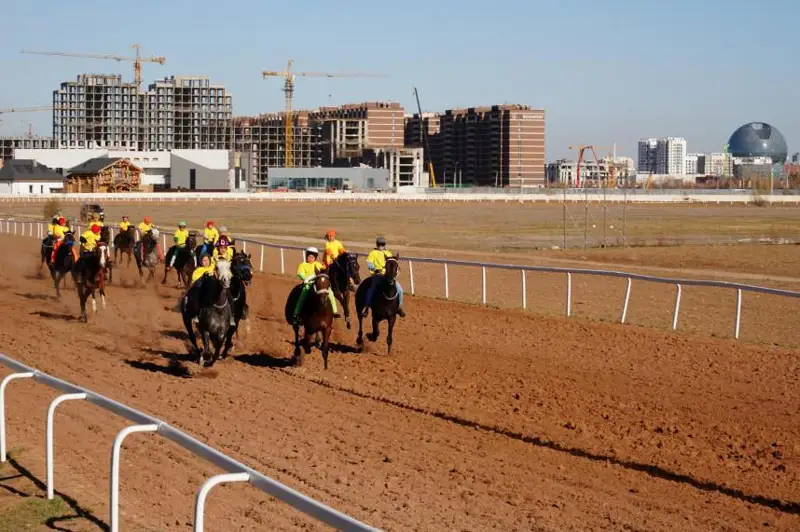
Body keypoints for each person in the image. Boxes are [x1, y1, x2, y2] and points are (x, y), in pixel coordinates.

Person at [292, 246, 340, 324]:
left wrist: (329, 263)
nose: (311, 258)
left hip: (318, 284)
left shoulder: (317, 264)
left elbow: (323, 269)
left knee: (330, 293)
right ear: (306, 256)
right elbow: (300, 274)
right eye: (309, 257)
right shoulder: (302, 265)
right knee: (302, 297)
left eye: (312, 257)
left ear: (315, 258)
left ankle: (334, 311)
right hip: (308, 284)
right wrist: (305, 278)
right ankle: (296, 314)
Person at [362, 236, 406, 318]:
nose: (381, 246)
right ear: (377, 244)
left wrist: (395, 271)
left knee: (400, 289)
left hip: (388, 276)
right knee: (372, 289)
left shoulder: (388, 253)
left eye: (382, 244)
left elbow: (393, 264)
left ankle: (399, 307)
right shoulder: (373, 253)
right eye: (379, 244)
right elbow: (369, 263)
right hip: (377, 275)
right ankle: (366, 308)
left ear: (385, 245)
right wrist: (374, 269)